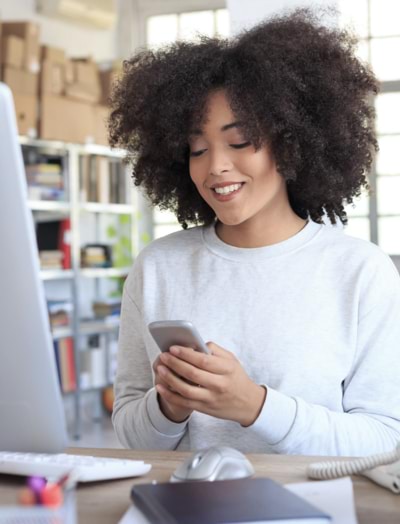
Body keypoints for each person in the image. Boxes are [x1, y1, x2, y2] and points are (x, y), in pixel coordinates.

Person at [108, 8, 400, 455]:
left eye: (239, 141)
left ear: (292, 140)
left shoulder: (361, 272)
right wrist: (168, 407)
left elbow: (384, 437)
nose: (216, 166)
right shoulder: (159, 266)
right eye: (197, 148)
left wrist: (255, 406)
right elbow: (130, 433)